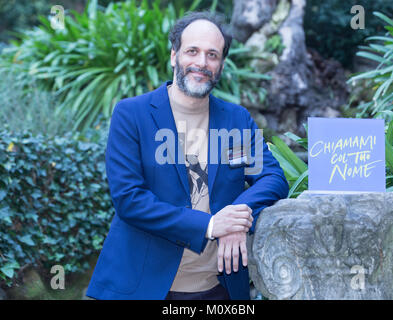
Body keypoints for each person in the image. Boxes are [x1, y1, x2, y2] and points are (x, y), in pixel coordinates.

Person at [86, 11, 288, 300]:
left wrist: (235, 218)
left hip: (220, 289)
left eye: (212, 55)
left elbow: (271, 177)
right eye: (192, 51)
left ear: (221, 65)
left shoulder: (235, 120)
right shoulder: (133, 115)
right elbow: (129, 199)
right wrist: (209, 225)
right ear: (173, 56)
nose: (201, 63)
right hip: (144, 287)